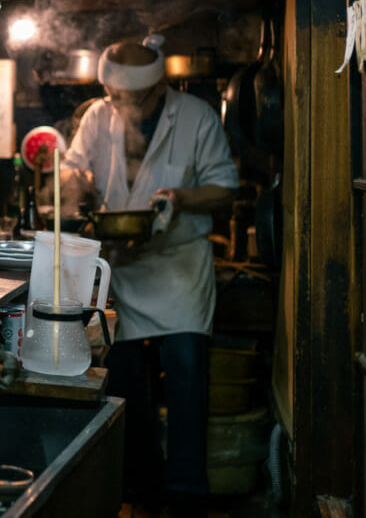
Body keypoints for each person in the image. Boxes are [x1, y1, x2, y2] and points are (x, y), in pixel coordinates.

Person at [59, 38, 237, 513]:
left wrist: (181, 197)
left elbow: (224, 187)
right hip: (121, 262)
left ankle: (186, 490)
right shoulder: (98, 115)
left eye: (130, 98)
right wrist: (79, 196)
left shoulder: (196, 116)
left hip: (177, 263)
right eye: (113, 95)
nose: (119, 105)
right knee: (121, 378)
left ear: (159, 87)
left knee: (185, 372)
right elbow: (73, 170)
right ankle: (139, 485)